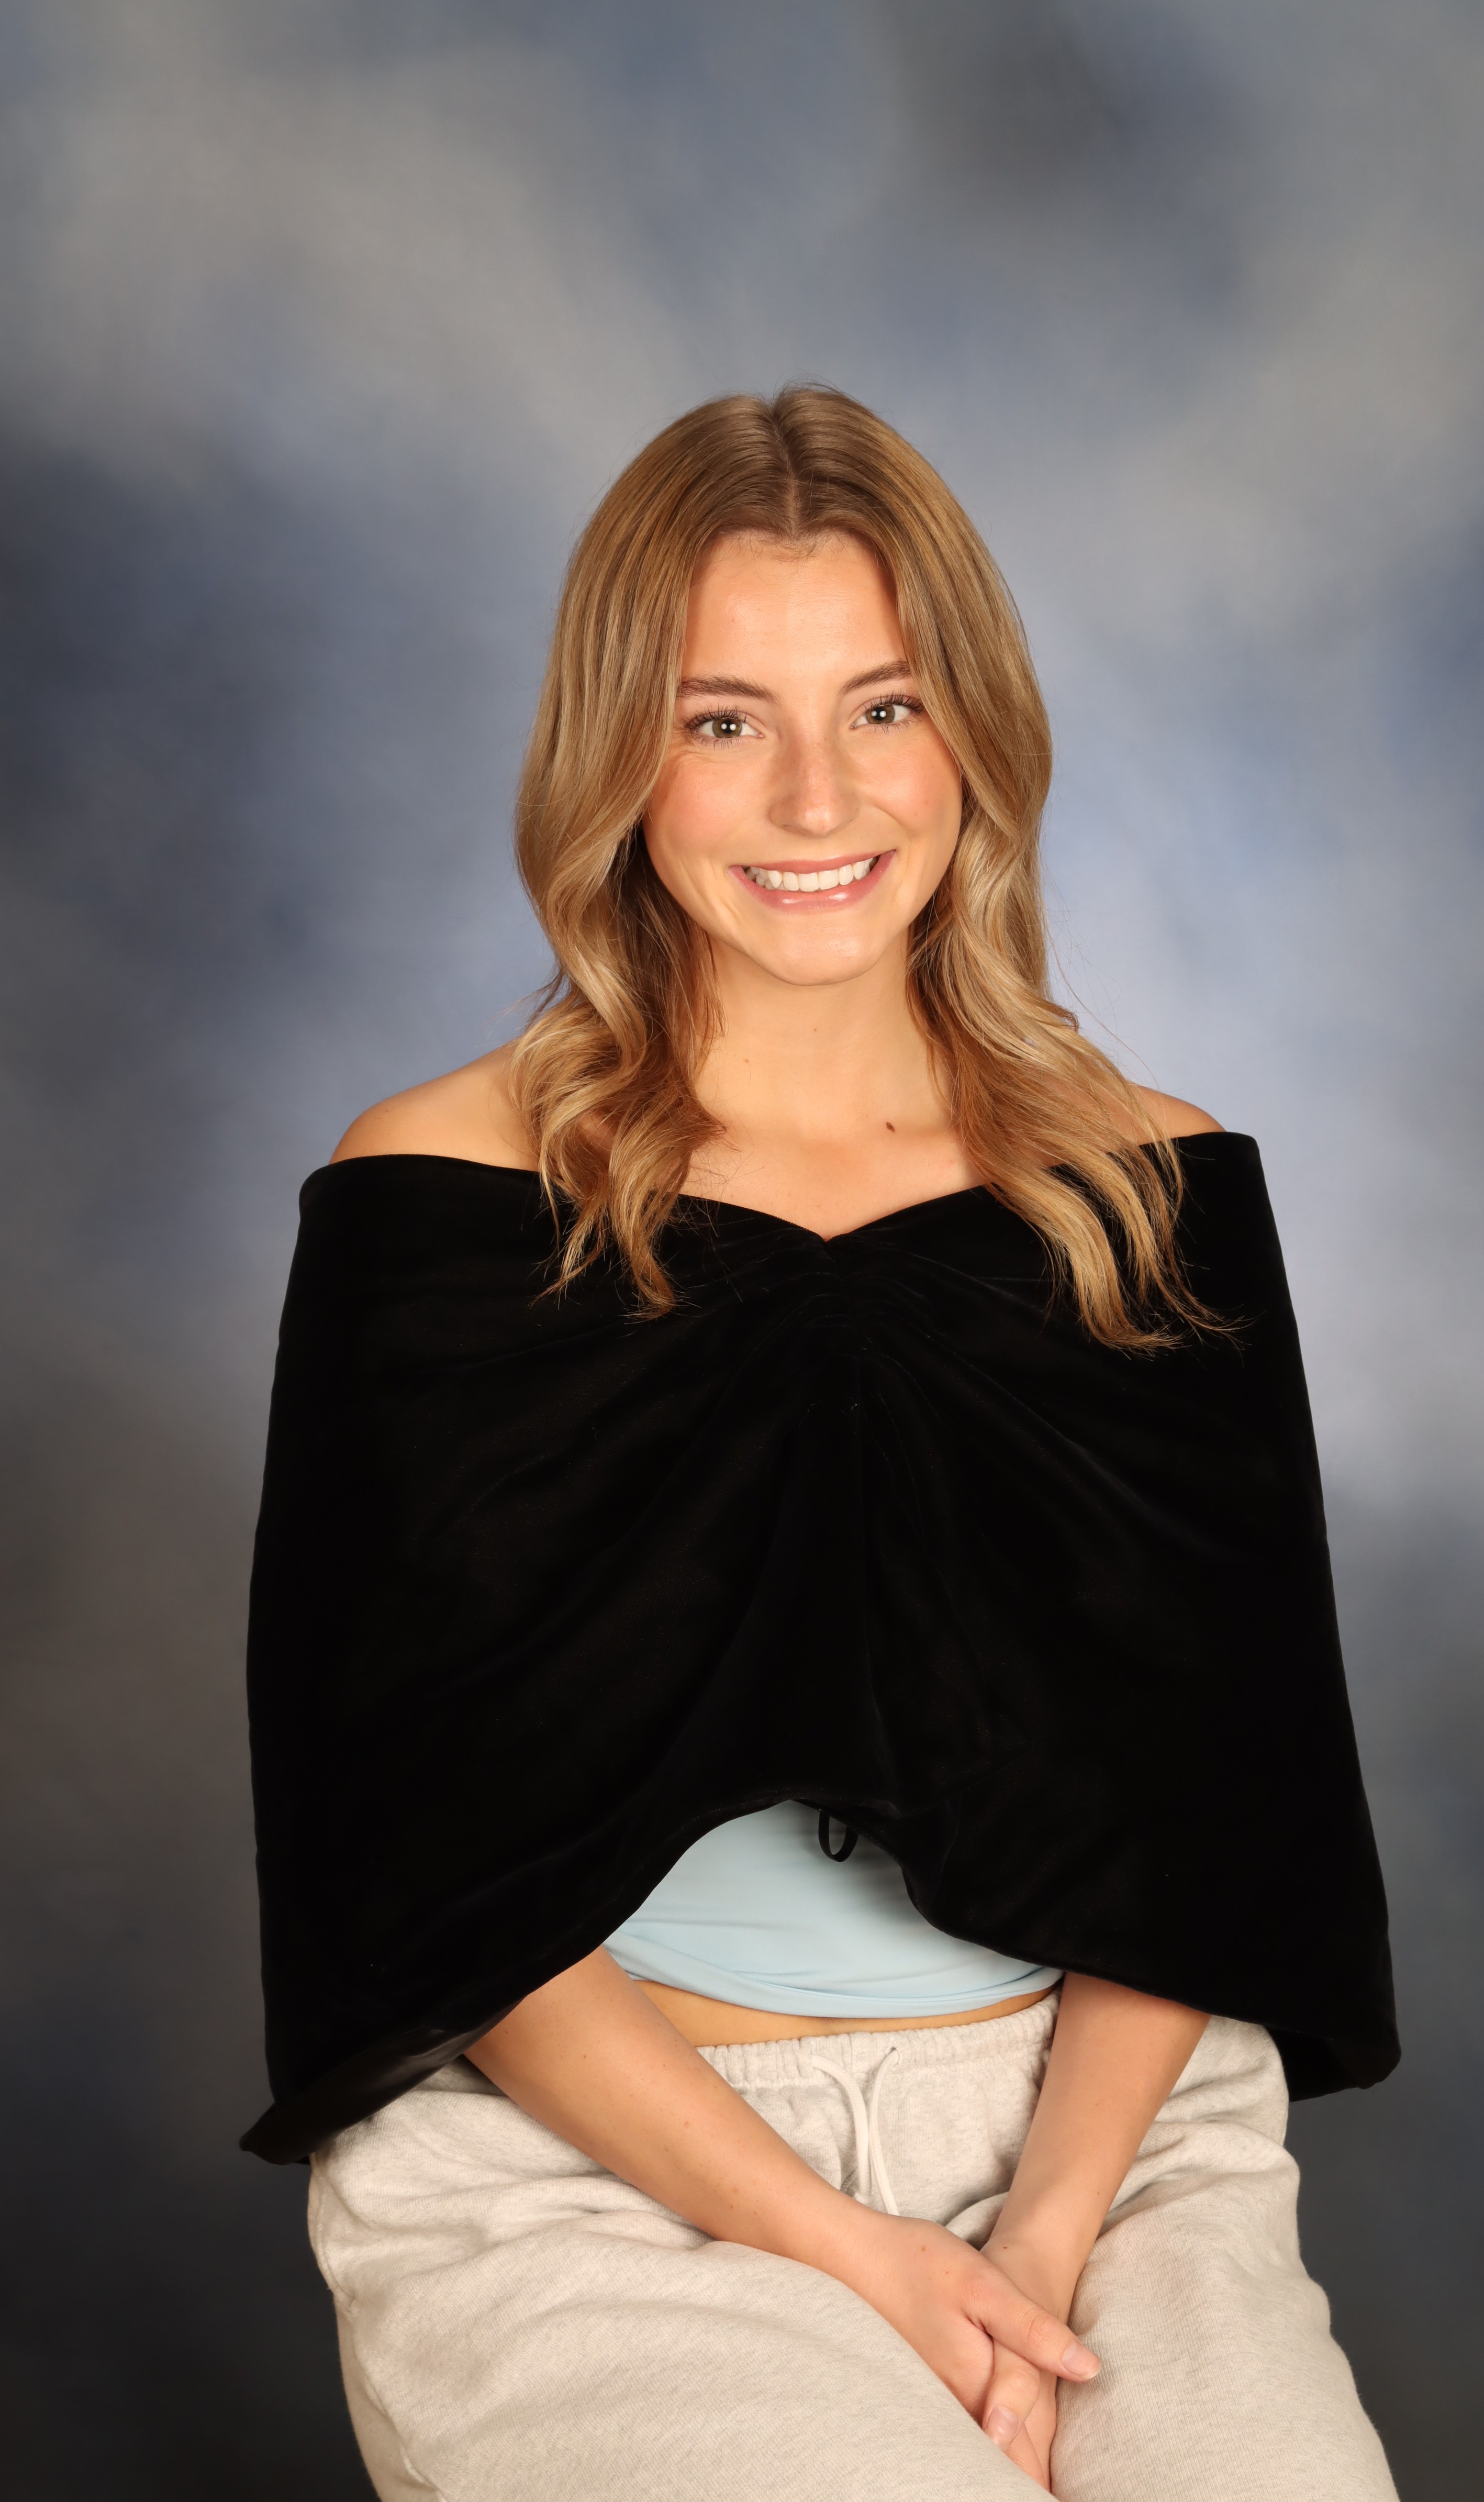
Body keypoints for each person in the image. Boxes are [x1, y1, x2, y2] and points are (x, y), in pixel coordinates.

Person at [243, 386, 1401, 2499]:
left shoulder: (1149, 1189)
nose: (815, 796)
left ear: (972, 738)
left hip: (1098, 2145)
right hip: (598, 2172)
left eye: (882, 707)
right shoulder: (440, 1198)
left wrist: (1041, 2235)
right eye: (722, 720)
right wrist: (846, 2252)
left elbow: (1211, 1811)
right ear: (620, 757)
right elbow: (416, 1864)